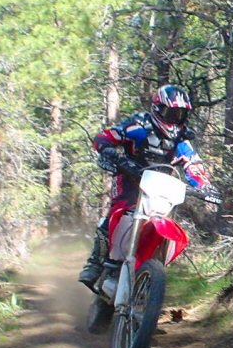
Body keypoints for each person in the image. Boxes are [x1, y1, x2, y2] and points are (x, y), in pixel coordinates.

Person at [78, 84, 222, 290]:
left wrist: (206, 187)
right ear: (157, 109)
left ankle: (149, 269)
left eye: (180, 114)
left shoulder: (182, 140)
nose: (174, 118)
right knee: (119, 211)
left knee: (162, 217)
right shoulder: (139, 126)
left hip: (159, 186)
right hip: (130, 177)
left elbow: (193, 166)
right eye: (170, 112)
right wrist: (111, 153)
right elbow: (105, 137)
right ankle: (95, 262)